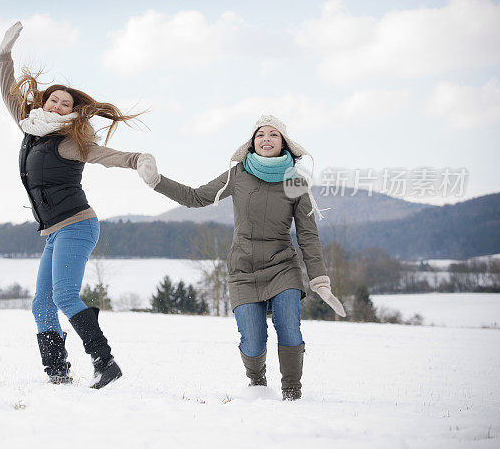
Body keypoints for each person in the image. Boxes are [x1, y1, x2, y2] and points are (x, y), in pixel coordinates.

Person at [136, 115, 345, 400]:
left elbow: (307, 233)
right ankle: (257, 382)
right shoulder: (238, 175)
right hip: (243, 268)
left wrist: (318, 277)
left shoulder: (295, 180)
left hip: (283, 264)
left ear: (284, 143)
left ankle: (292, 393)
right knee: (253, 339)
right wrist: (157, 181)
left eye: (274, 134)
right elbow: (196, 197)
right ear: (252, 142)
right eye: (261, 134)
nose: (267, 139)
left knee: (289, 327)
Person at [0, 21, 142, 389]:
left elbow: (103, 154)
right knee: (41, 305)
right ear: (44, 103)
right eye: (54, 100)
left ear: (72, 110)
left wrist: (137, 159)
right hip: (54, 232)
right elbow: (9, 95)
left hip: (77, 225)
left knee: (63, 295)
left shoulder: (71, 139)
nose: (59, 106)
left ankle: (104, 361)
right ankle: (58, 373)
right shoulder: (31, 128)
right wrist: (3, 55)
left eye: (66, 103)